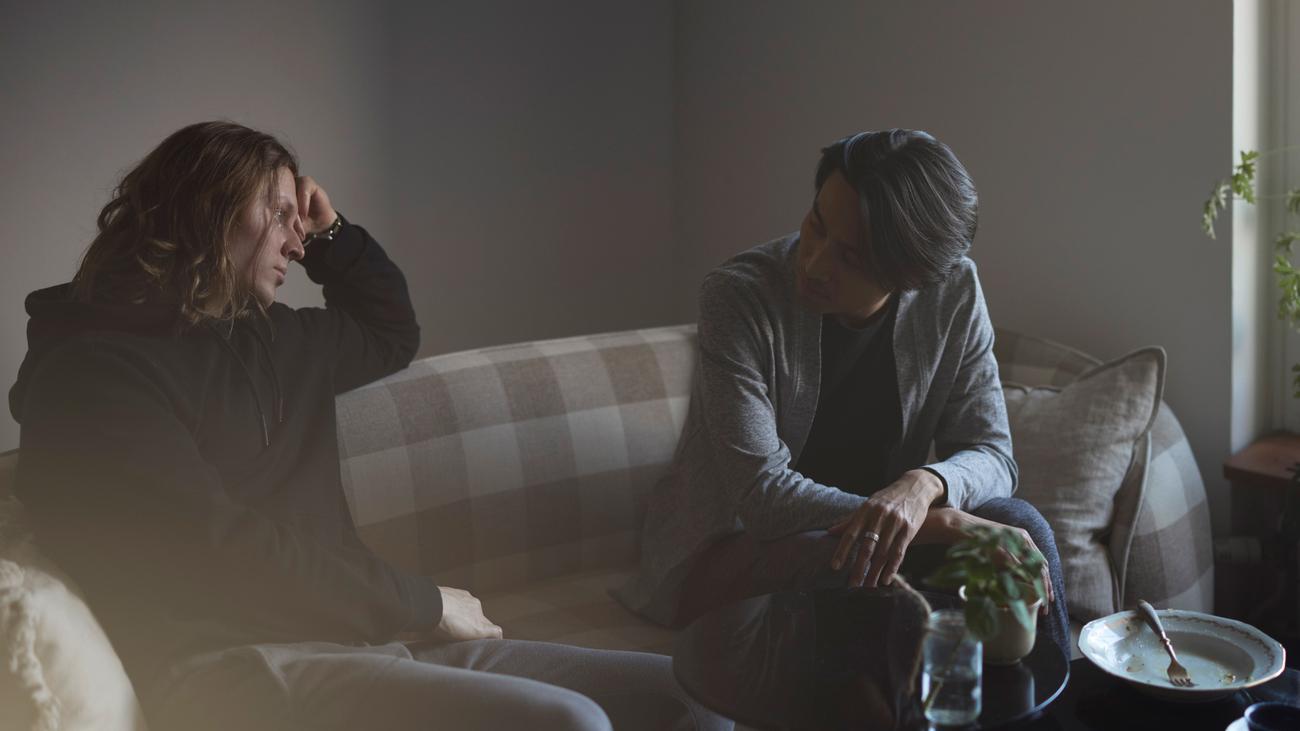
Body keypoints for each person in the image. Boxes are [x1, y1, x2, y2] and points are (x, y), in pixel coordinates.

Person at [9, 121, 730, 731]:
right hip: (236, 667)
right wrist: (423, 601)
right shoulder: (93, 375)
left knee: (694, 697)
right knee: (570, 722)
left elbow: (390, 329)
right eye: (280, 213)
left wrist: (332, 232)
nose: (297, 243)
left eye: (300, 221)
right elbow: (220, 547)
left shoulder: (273, 338)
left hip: (363, 639)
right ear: (209, 207)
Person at [617, 129, 1070, 656]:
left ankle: (1051, 696)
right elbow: (764, 499)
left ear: (911, 276)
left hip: (870, 547)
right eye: (816, 224)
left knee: (1018, 529)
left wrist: (924, 485)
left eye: (850, 258)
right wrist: (939, 522)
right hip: (738, 551)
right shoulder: (739, 298)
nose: (814, 263)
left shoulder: (953, 293)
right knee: (865, 574)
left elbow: (992, 453)